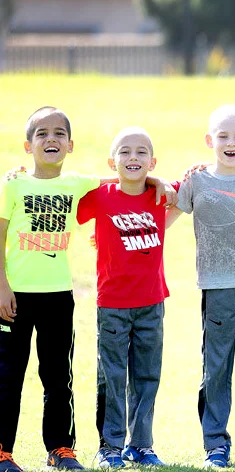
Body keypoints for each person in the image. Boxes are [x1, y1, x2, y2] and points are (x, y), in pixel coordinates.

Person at [167, 105, 235, 468]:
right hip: (216, 288)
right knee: (216, 367)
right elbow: (163, 214)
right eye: (223, 136)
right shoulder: (196, 181)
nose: (231, 143)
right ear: (209, 140)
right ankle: (215, 443)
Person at [0, 107, 101, 472]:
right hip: (14, 295)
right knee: (7, 374)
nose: (51, 139)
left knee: (58, 375)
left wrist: (162, 182)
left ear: (70, 144)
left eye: (59, 133)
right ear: (28, 145)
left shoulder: (75, 183)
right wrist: (1, 286)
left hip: (58, 295)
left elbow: (123, 178)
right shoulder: (13, 184)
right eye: (41, 133)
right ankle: (2, 451)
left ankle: (60, 448)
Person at [76, 127, 178, 469]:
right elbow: (68, 196)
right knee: (113, 376)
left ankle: (142, 445)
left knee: (147, 377)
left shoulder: (161, 195)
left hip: (151, 303)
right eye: (125, 152)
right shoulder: (101, 196)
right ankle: (109, 447)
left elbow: (186, 189)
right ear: (112, 160)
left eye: (141, 152)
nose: (133, 157)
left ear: (153, 161)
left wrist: (157, 180)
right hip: (113, 305)